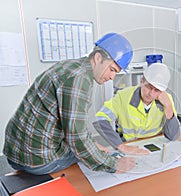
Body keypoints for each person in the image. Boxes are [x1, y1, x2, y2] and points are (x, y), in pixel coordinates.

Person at [3, 33, 136, 175]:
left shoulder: (72, 66)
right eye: (112, 70)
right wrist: (114, 164)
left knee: (89, 149)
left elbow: (74, 123)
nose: (112, 77)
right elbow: (76, 137)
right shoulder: (79, 80)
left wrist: (92, 144)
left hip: (15, 151)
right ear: (98, 58)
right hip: (36, 160)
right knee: (85, 155)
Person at [93, 63, 180, 155]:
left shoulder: (167, 100)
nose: (151, 94)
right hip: (129, 144)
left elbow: (173, 136)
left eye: (157, 90)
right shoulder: (123, 96)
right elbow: (99, 119)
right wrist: (121, 146)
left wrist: (168, 107)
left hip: (155, 143)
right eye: (149, 87)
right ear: (141, 81)